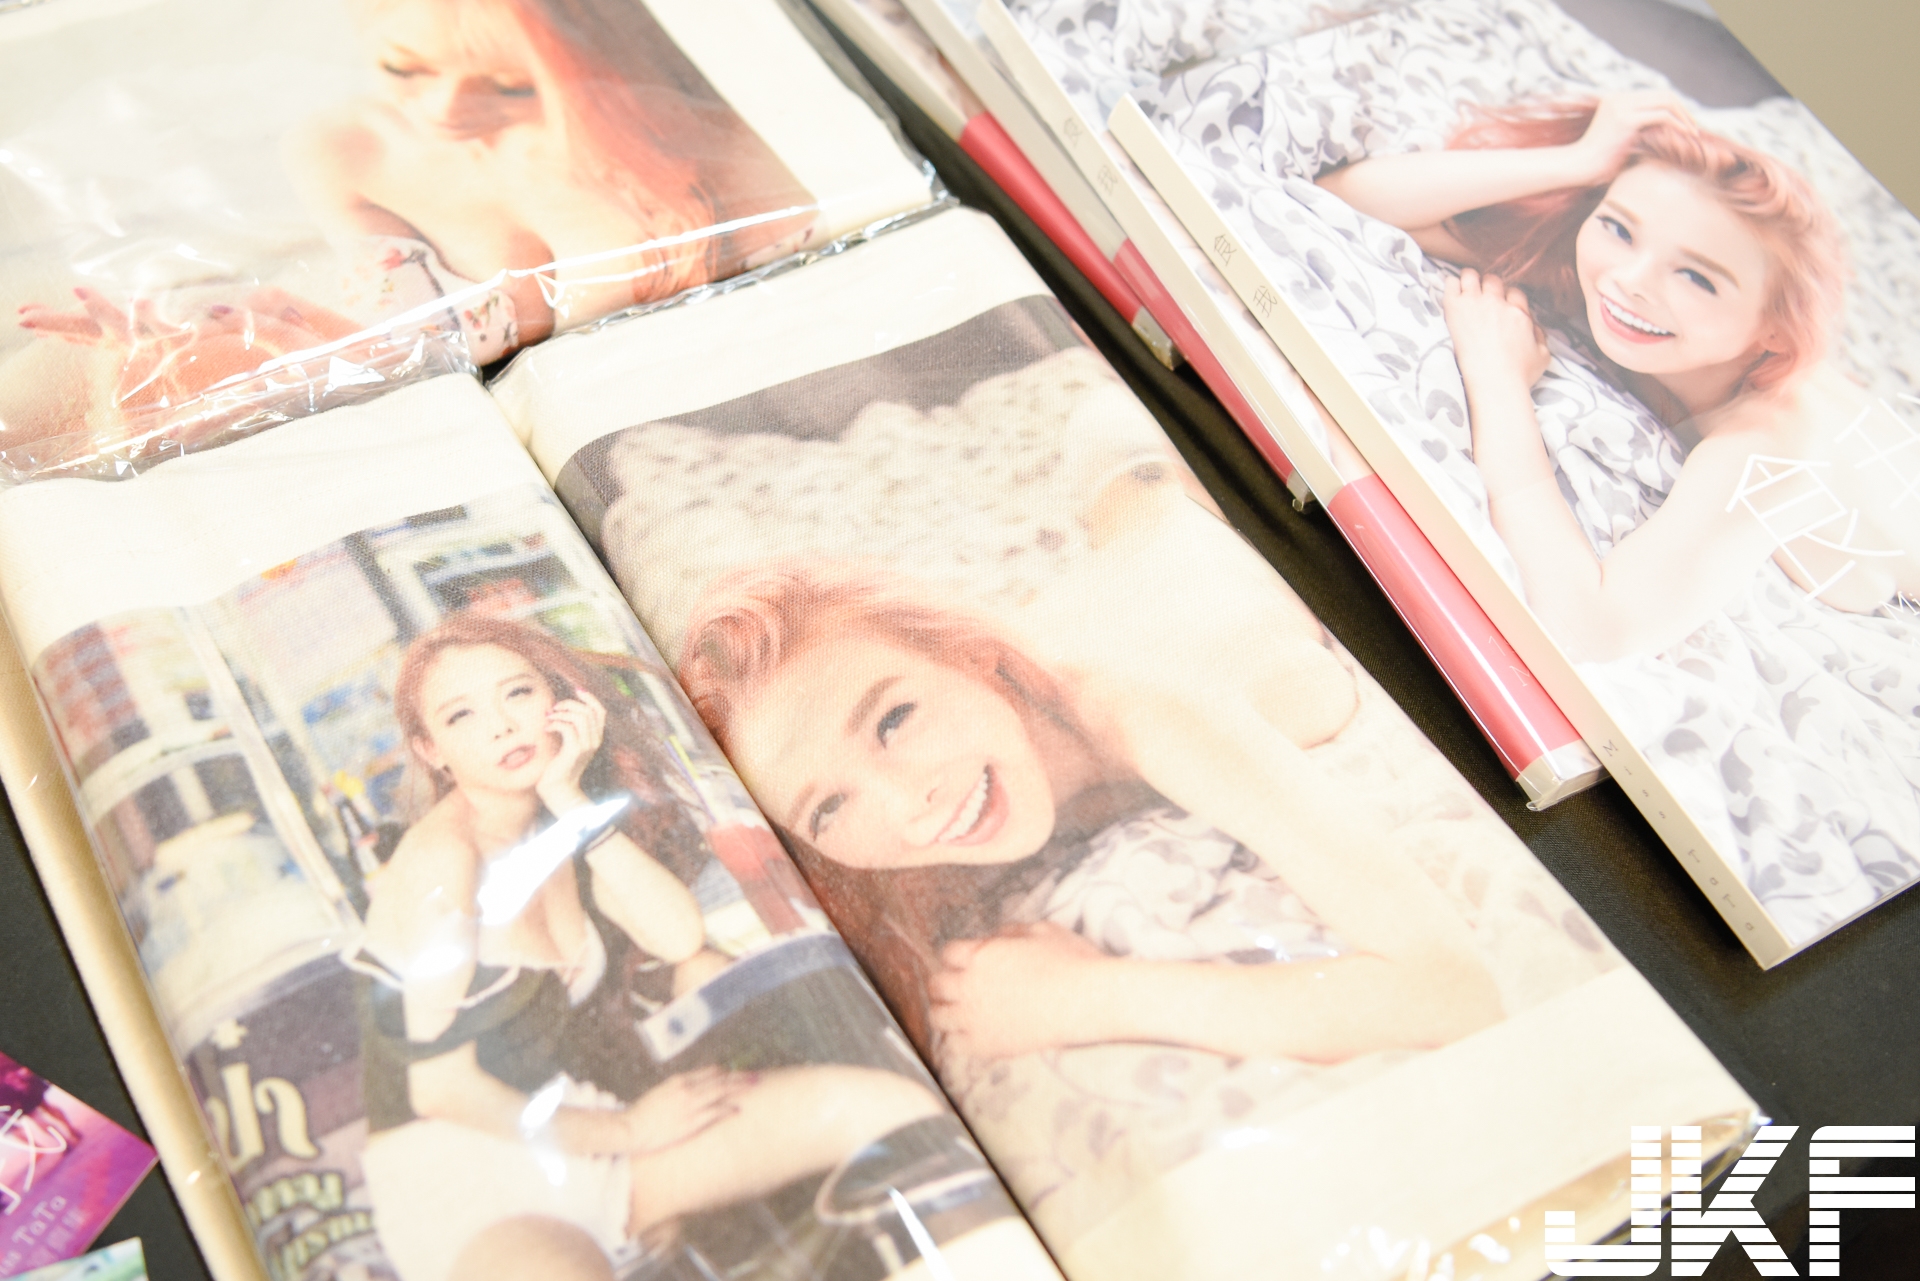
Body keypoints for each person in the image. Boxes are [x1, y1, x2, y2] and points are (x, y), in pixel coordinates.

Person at [676, 563, 1503, 1066]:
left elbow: (1452, 989)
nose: (908, 804)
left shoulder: (1148, 709)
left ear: (973, 656)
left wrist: (1088, 995)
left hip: (1199, 583)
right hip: (1102, 585)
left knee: (1141, 504)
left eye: (894, 719)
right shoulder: (898, 851)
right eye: (827, 806)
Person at [358, 613, 942, 1281]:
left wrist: (568, 795)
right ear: (430, 749)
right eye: (461, 715)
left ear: (558, 701)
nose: (501, 726)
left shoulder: (553, 825)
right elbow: (441, 1090)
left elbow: (676, 934)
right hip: (471, 1177)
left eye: (518, 692)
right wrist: (631, 1132)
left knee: (891, 1109)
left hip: (590, 1131)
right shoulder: (440, 862)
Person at [1317, 92, 1920, 661]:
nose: (1631, 280)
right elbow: (1344, 198)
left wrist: (1497, 379)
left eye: (1698, 278)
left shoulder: (1769, 450)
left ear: (1774, 332)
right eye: (1619, 226)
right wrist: (1578, 160)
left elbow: (1593, 629)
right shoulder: (1619, 287)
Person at [284, 0, 821, 347]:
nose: (444, 109)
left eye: (513, 85)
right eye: (403, 67)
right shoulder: (345, 148)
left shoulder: (713, 148)